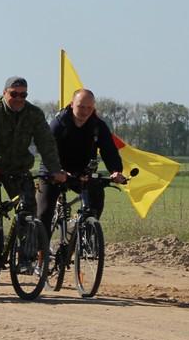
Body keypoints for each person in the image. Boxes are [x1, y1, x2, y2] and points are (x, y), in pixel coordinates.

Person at [0, 77, 66, 256]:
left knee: (28, 205)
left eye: (23, 94)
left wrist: (55, 170)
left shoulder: (34, 114)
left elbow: (46, 143)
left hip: (17, 167)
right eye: (14, 94)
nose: (19, 98)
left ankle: (24, 250)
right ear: (4, 93)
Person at [40, 88, 126, 238]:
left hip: (81, 172)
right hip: (54, 169)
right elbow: (47, 151)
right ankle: (39, 254)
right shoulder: (58, 124)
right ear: (72, 104)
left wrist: (115, 171)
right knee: (44, 212)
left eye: (89, 108)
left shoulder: (99, 126)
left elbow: (109, 151)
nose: (85, 111)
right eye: (81, 106)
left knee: (97, 194)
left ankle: (83, 234)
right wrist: (56, 171)